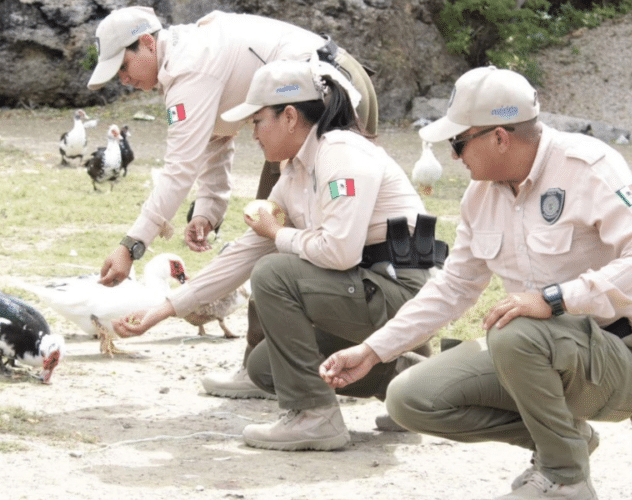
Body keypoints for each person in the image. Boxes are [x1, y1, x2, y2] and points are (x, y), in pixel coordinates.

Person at [320, 66, 632, 499]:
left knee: (517, 331)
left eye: (458, 142)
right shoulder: (480, 197)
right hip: (536, 355)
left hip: (622, 358)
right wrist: (373, 350)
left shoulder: (588, 166)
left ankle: (566, 480)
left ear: (499, 137)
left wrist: (555, 299)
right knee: (409, 397)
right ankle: (566, 442)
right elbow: (452, 288)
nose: (454, 156)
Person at [112, 59, 446, 451]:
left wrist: (279, 234)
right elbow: (243, 254)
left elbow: (338, 252)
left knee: (274, 273)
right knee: (264, 367)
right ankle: (414, 385)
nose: (253, 133)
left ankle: (315, 416)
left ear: (289, 116)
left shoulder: (341, 154)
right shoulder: (297, 172)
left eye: (257, 120)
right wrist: (164, 310)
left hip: (403, 293)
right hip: (369, 292)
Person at [87, 7, 381, 398]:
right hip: (325, 87)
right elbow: (217, 137)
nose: (123, 80)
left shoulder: (191, 65)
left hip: (328, 94)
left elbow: (179, 169)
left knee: (278, 234)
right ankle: (294, 361)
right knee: (282, 228)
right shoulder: (183, 62)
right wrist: (209, 208)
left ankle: (272, 368)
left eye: (123, 67)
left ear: (146, 42)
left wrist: (132, 245)